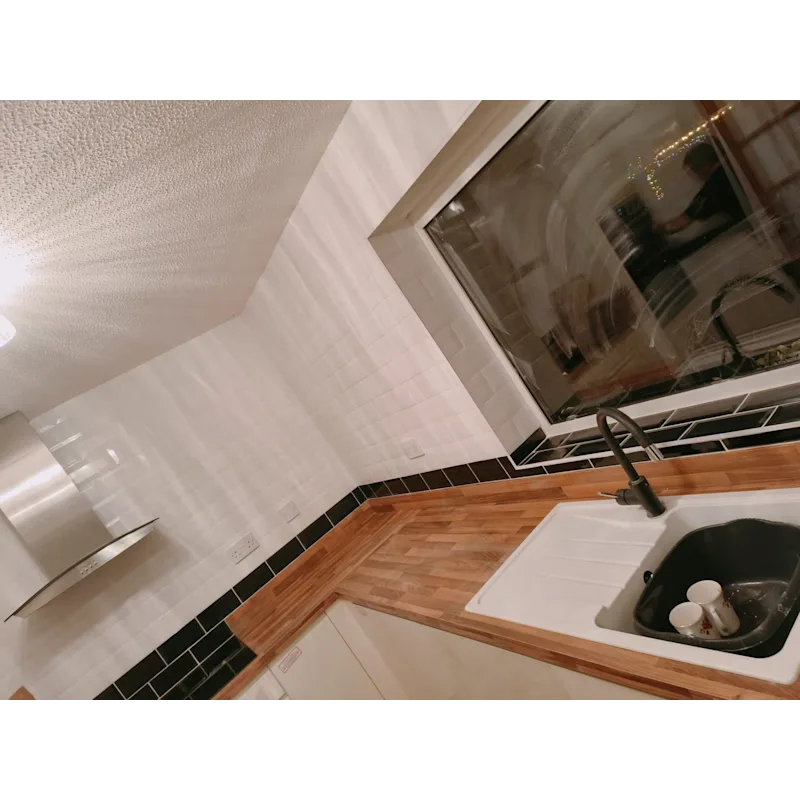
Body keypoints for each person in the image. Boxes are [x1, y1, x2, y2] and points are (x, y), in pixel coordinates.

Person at [660, 141, 748, 235]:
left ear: (704, 166)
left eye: (694, 170)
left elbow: (684, 220)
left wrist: (662, 229)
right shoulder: (734, 166)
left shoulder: (715, 185)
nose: (695, 176)